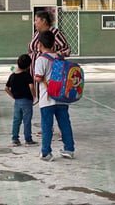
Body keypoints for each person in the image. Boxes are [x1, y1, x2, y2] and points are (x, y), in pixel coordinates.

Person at [28, 10, 70, 140]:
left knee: (56, 100)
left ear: (43, 21)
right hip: (38, 73)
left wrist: (53, 56)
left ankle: (63, 130)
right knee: (44, 100)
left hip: (52, 74)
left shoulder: (55, 33)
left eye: (36, 20)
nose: (35, 23)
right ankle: (47, 127)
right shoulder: (37, 34)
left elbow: (66, 49)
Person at [34, 30, 75, 161]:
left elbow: (38, 78)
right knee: (65, 124)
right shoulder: (60, 58)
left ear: (39, 44)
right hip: (62, 98)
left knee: (46, 125)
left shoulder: (41, 59)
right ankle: (69, 149)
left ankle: (46, 152)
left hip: (47, 99)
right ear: (54, 44)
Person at [5, 54, 38, 147]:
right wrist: (34, 95)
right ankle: (28, 139)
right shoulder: (27, 75)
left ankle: (15, 139)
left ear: (17, 63)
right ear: (28, 66)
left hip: (17, 101)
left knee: (16, 120)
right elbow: (31, 86)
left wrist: (13, 96)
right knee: (27, 121)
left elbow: (6, 88)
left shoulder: (12, 76)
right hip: (27, 101)